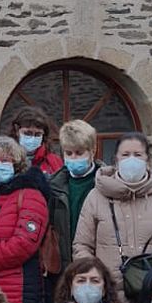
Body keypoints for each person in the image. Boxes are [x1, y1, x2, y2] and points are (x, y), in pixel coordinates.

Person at [73, 132, 152, 297]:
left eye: (138, 155)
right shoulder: (95, 197)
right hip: (109, 295)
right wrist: (94, 279)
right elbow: (82, 246)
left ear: (147, 159)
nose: (131, 159)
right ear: (116, 159)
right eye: (125, 155)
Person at [0, 136, 51, 303]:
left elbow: (22, 244)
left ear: (16, 165)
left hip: (20, 291)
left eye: (5, 160)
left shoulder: (30, 195)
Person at [46, 119, 100, 278]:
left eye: (79, 152)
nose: (74, 158)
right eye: (68, 153)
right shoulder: (53, 186)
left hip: (96, 265)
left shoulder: (105, 183)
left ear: (92, 151)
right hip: (63, 268)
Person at [10, 105, 64, 177]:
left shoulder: (54, 161)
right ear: (17, 130)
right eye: (27, 133)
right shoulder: (5, 160)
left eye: (37, 134)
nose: (32, 138)